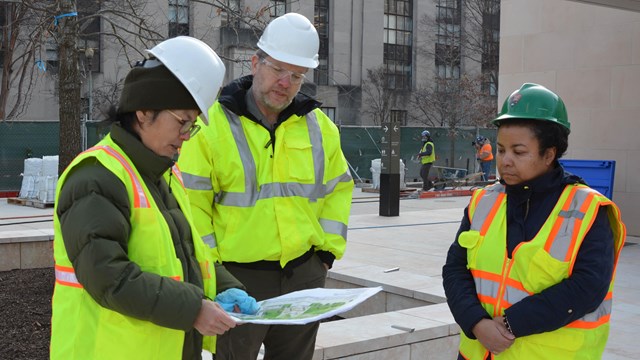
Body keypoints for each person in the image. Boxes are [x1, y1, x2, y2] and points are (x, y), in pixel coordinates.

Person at [50, 36, 257, 360]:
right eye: (183, 121)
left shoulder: (162, 176)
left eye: (192, 125)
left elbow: (186, 255)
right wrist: (193, 310)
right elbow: (109, 277)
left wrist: (223, 284)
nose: (187, 136)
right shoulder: (95, 178)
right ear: (145, 111)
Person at [177, 13, 354, 360]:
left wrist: (326, 256)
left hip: (304, 274)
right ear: (255, 62)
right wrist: (213, 273)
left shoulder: (321, 128)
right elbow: (192, 205)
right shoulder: (211, 125)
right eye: (277, 69)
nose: (285, 82)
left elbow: (338, 190)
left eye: (297, 75)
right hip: (238, 281)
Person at [442, 83, 626, 359]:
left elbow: (587, 287)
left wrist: (509, 325)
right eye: (502, 150)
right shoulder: (484, 201)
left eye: (519, 152)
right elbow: (455, 269)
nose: (505, 161)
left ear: (549, 154)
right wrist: (476, 323)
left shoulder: (588, 209)